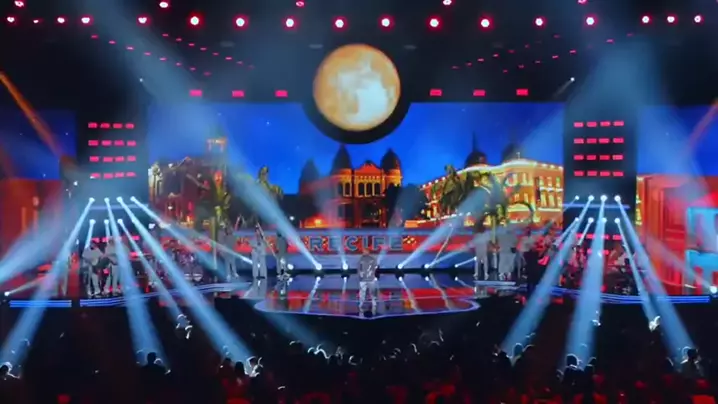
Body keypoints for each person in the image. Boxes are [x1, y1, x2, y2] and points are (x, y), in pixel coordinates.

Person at [357, 249, 378, 313]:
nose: (363, 253)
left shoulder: (372, 259)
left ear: (368, 252)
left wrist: (372, 273)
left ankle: (374, 304)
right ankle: (361, 304)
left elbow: (375, 267)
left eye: (365, 252)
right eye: (363, 252)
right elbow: (358, 268)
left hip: (370, 278)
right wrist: (360, 274)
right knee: (362, 292)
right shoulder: (361, 259)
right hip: (363, 279)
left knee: (372, 291)